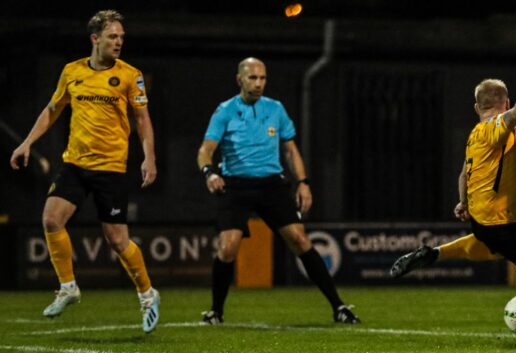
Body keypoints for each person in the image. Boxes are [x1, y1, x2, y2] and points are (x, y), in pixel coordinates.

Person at [388, 65, 516, 342]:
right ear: (505, 103)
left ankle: (433, 253)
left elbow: (464, 173)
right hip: (503, 223)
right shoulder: (493, 128)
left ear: (476, 107)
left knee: (490, 247)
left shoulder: (476, 135)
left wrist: (462, 202)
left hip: (483, 220)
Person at [7, 10, 160, 333]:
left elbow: (143, 120)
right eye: (112, 37)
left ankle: (147, 295)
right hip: (75, 164)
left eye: (121, 37)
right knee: (51, 218)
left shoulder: (131, 75)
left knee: (117, 240)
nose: (118, 42)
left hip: (111, 168)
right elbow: (52, 110)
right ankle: (68, 287)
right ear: (95, 39)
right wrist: (26, 144)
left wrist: (149, 157)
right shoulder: (71, 71)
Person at [197, 58, 358, 325]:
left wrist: (303, 182)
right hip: (235, 185)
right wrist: (209, 173)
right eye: (252, 78)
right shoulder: (224, 111)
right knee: (227, 248)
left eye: (262, 78)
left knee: (300, 240)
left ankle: (339, 307)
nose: (258, 83)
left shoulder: (276, 109)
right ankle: (216, 312)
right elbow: (205, 150)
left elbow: (290, 150)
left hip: (271, 184)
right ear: (240, 80)